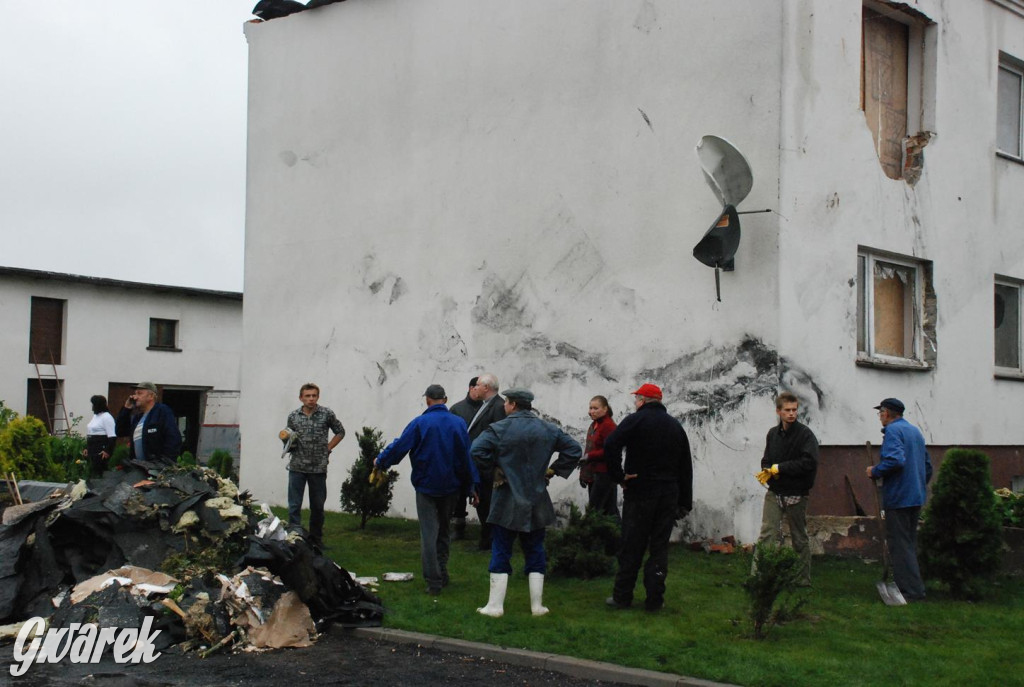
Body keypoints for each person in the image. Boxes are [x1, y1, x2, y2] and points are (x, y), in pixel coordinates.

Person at [472, 388, 582, 617]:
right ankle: (537, 607)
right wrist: (552, 471)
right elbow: (574, 449)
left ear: (512, 404)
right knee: (535, 550)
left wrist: (495, 470)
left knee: (501, 548)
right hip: (536, 498)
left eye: (506, 402)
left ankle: (495, 606)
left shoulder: (499, 428)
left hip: (507, 498)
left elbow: (476, 450)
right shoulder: (548, 429)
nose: (504, 405)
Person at [375, 384, 480, 595]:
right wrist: (472, 486)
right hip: (451, 487)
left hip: (426, 486)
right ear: (445, 398)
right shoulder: (458, 423)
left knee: (428, 534)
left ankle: (434, 581)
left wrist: (381, 461)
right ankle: (442, 571)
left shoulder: (420, 423)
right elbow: (466, 457)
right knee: (443, 531)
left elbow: (400, 446)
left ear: (427, 400)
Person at [604, 383, 693, 612]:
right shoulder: (675, 426)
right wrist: (684, 501)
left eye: (637, 399)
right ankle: (655, 599)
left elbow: (611, 444)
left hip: (640, 490)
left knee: (632, 545)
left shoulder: (635, 420)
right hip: (668, 494)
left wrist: (619, 476)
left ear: (642, 400)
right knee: (659, 548)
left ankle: (623, 596)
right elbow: (686, 466)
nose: (635, 403)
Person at [866, 398, 933, 601]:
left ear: (886, 413)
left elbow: (895, 460)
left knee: (899, 544)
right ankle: (912, 586)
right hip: (916, 496)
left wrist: (875, 471)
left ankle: (911, 591)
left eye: (880, 413)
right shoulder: (914, 432)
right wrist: (919, 484)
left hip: (900, 496)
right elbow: (927, 466)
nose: (879, 417)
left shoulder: (893, 432)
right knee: (908, 542)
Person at [753, 391, 819, 586]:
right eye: (787, 410)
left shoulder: (805, 434)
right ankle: (759, 576)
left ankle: (802, 579)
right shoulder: (773, 434)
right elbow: (767, 458)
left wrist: (781, 468)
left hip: (796, 492)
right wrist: (766, 470)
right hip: (775, 491)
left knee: (799, 537)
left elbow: (809, 462)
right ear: (778, 411)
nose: (792, 414)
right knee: (767, 534)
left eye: (794, 410)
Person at [285, 382, 346, 548]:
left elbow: (340, 431)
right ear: (301, 398)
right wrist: (287, 442)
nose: (311, 399)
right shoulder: (293, 416)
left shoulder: (326, 414)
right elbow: (289, 436)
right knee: (294, 505)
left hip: (318, 467)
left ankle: (316, 540)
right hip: (297, 466)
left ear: (318, 397)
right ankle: (294, 538)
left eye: (314, 396)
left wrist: (329, 447)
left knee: (317, 506)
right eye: (307, 396)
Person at [467, 373, 507, 550]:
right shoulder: (487, 405)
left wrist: (490, 462)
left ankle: (489, 540)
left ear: (486, 388)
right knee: (481, 502)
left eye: (477, 385)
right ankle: (486, 538)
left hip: (487, 465)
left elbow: (499, 437)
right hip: (479, 462)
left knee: (486, 503)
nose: (474, 388)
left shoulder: (497, 406)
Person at [115, 382, 182, 467]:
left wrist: (165, 463)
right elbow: (120, 431)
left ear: (150, 396)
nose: (135, 397)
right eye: (135, 393)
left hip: (156, 468)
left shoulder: (162, 412)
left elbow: (173, 438)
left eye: (139, 393)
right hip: (139, 468)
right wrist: (126, 409)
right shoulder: (137, 418)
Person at [448, 376, 483, 539]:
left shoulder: (487, 409)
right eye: (479, 387)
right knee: (459, 493)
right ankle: (458, 525)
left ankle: (487, 529)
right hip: (461, 456)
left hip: (482, 457)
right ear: (471, 388)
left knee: (482, 492)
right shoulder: (456, 409)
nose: (482, 390)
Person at [580, 395, 620, 519]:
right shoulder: (594, 425)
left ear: (605, 409)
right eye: (590, 408)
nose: (591, 411)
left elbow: (611, 451)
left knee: (596, 511)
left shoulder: (608, 426)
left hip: (605, 474)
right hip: (594, 473)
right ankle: (616, 536)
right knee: (608, 511)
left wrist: (589, 456)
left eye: (595, 408)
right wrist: (584, 473)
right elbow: (590, 448)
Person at [83, 395, 117, 476]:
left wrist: (107, 450)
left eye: (93, 405)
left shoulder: (106, 417)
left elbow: (112, 436)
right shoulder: (95, 416)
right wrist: (87, 448)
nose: (92, 407)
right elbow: (91, 431)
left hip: (101, 450)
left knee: (100, 472)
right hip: (92, 449)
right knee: (92, 472)